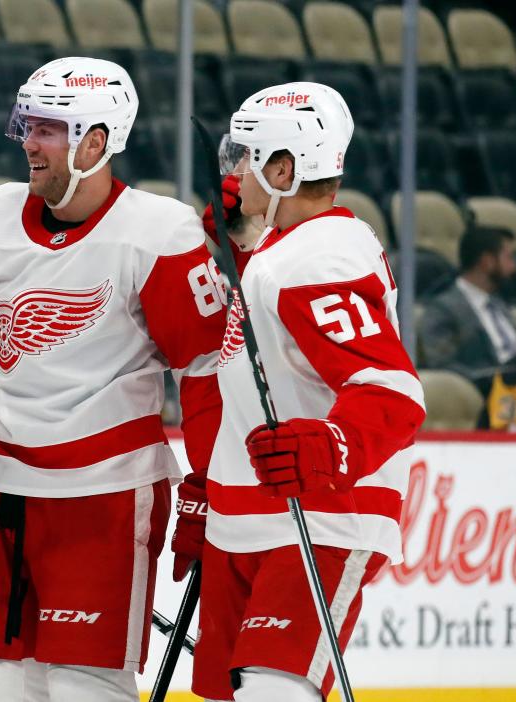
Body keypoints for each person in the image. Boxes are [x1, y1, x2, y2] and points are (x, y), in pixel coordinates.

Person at [0, 56, 226, 701]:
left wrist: (209, 486)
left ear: (96, 143)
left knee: (80, 689)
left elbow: (205, 372)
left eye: (48, 129)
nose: (28, 142)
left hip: (104, 495)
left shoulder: (160, 233)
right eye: (27, 124)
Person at [182, 82, 426, 702]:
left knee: (273, 688)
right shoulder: (280, 249)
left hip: (320, 514)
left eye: (246, 157)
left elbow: (391, 389)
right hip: (249, 512)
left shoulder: (320, 258)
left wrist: (332, 447)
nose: (234, 171)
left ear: (284, 170)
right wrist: (208, 486)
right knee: (225, 692)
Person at [419, 226, 516, 394]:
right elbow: (442, 365)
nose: (514, 267)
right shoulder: (443, 309)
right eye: (509, 258)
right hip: (484, 396)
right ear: (487, 261)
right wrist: (491, 380)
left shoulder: (500, 305)